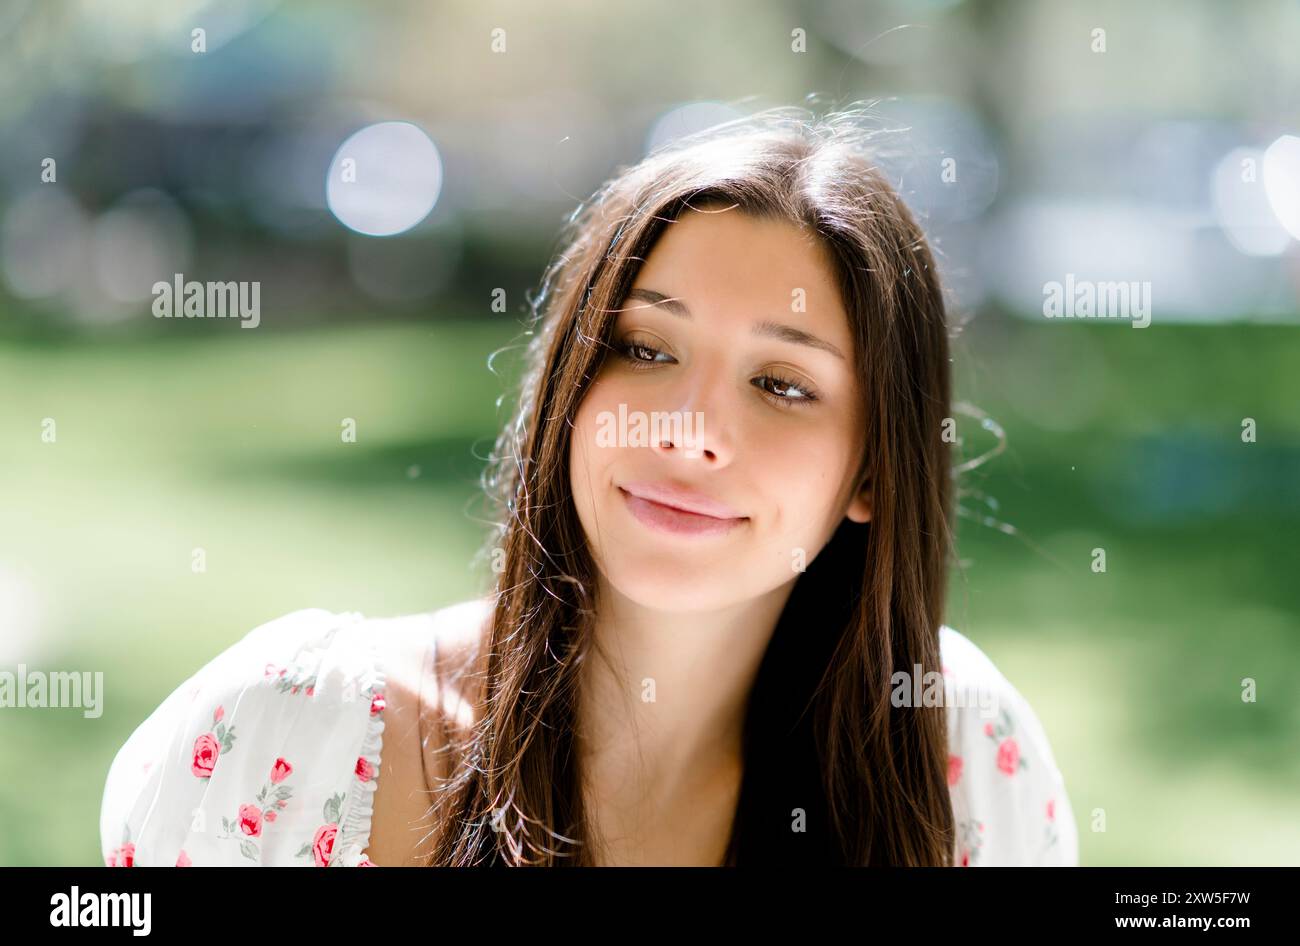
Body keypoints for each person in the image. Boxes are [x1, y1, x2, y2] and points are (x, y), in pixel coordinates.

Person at [100, 107, 1078, 867]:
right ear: (569, 385)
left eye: (782, 384)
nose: (689, 429)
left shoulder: (957, 757)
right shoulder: (294, 727)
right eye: (645, 348)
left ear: (873, 467)